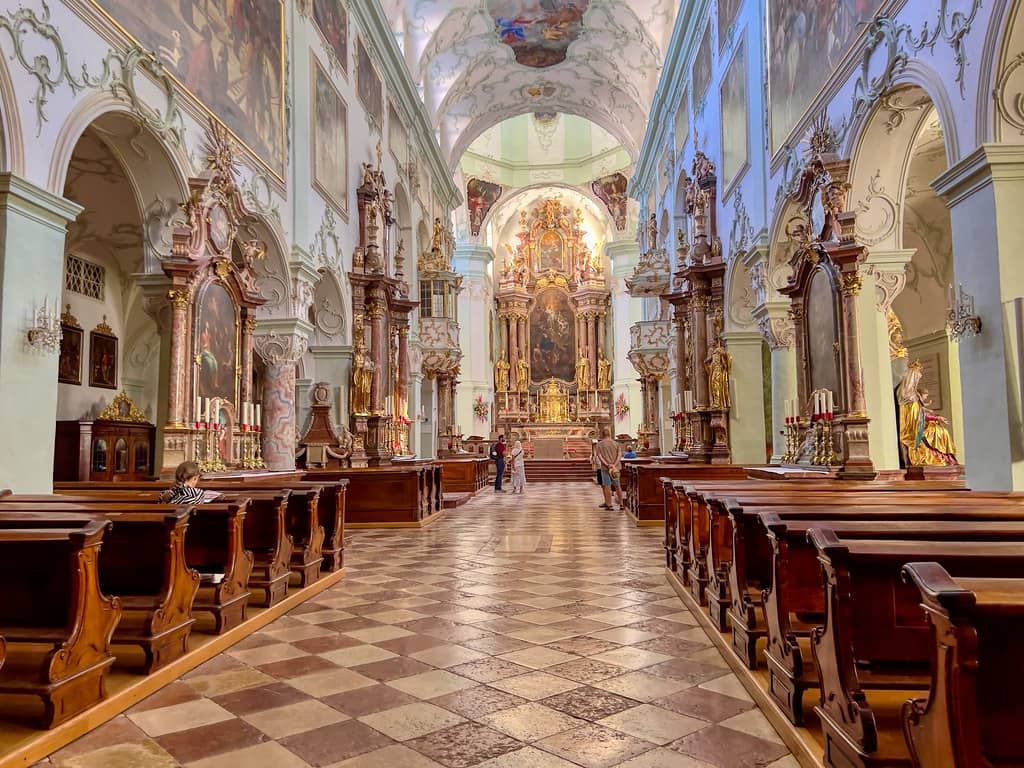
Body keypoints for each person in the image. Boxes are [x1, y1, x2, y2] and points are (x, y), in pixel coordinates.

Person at [594, 428, 624, 510]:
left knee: (607, 486)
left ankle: (609, 504)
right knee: (617, 486)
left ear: (602, 435)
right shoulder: (616, 443)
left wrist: (607, 465)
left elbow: (599, 456)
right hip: (615, 468)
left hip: (605, 468)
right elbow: (619, 455)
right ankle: (621, 504)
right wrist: (614, 464)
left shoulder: (599, 444)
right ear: (610, 434)